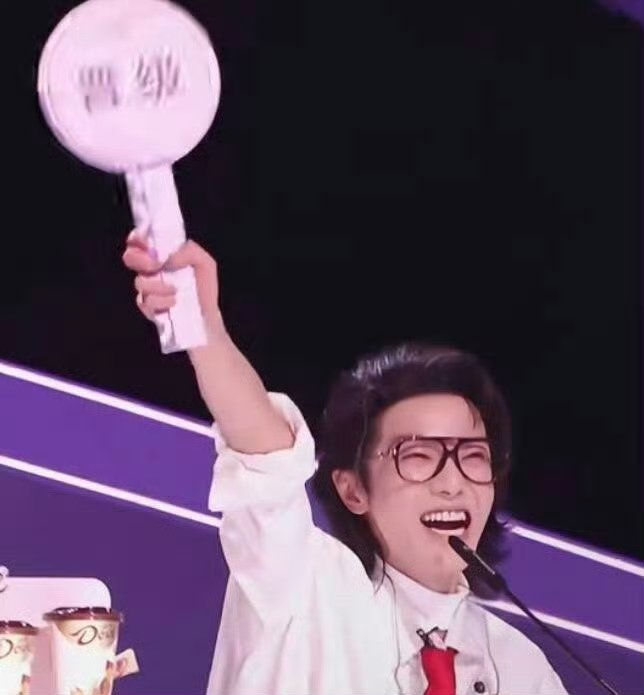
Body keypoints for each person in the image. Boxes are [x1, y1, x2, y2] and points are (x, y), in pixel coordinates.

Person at [123, 230, 568, 695]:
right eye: (420, 455)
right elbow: (266, 460)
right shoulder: (305, 588)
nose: (453, 483)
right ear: (353, 489)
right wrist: (205, 330)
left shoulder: (524, 670)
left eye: (474, 456)